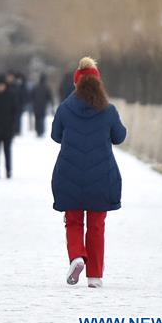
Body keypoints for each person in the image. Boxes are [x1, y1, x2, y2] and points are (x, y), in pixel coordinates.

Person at [51, 56, 127, 288]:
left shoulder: (65, 108)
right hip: (101, 175)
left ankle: (76, 257)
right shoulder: (109, 110)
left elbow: (55, 135)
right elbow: (119, 137)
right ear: (98, 83)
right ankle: (94, 276)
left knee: (73, 221)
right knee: (96, 224)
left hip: (69, 173)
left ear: (76, 83)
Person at [31, 73, 54, 137]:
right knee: (42, 119)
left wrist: (33, 102)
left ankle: (38, 131)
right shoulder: (46, 88)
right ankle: (41, 131)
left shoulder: (35, 87)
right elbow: (50, 97)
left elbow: (31, 96)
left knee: (37, 119)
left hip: (36, 105)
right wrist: (51, 104)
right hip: (43, 106)